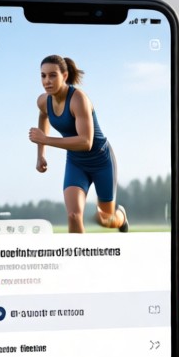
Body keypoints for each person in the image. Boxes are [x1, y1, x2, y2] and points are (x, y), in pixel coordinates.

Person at [28, 55, 128, 234]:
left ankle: (121, 217)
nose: (47, 81)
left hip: (101, 161)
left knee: (106, 219)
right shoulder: (43, 101)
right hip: (76, 163)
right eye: (43, 76)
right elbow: (44, 116)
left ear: (64, 76)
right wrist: (40, 155)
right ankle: (78, 260)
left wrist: (46, 140)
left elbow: (86, 142)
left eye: (52, 75)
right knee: (73, 215)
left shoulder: (78, 99)